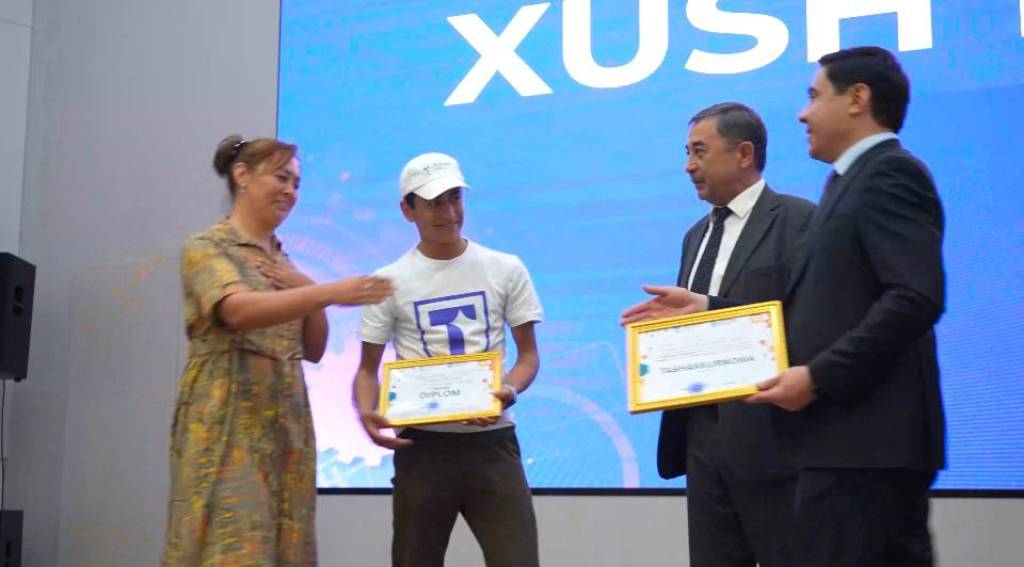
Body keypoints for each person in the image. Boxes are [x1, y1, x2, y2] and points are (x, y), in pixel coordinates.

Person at [622, 46, 946, 567]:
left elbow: (913, 297)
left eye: (815, 96)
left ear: (858, 99)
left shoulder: (850, 193)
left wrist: (816, 377)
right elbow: (808, 313)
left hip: (814, 441)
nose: (802, 113)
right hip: (717, 439)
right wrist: (705, 307)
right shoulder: (835, 188)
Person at [162, 135, 393, 565]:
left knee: (287, 546)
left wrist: (309, 290)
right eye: (281, 178)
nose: (290, 191)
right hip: (228, 421)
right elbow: (236, 310)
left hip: (286, 425)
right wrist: (328, 291)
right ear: (242, 176)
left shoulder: (285, 262)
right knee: (229, 545)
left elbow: (313, 348)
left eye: (297, 183)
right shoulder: (207, 247)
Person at [353, 152, 542, 567]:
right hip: (422, 447)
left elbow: (528, 356)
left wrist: (508, 391)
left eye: (455, 198)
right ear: (407, 210)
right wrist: (367, 411)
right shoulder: (388, 281)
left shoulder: (505, 268)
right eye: (434, 203)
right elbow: (366, 370)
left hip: (493, 443)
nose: (449, 213)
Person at [656, 102, 814, 567]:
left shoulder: (800, 221)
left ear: (744, 153)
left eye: (699, 151)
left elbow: (808, 322)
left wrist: (710, 309)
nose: (688, 166)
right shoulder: (695, 235)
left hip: (773, 438)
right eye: (687, 153)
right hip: (701, 437)